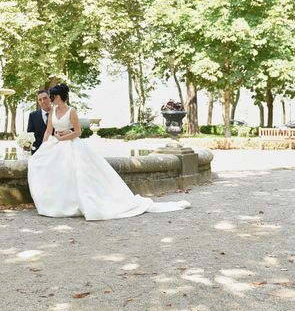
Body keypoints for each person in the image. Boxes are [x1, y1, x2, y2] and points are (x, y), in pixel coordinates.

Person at [28, 83, 191, 220]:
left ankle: (80, 203)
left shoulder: (71, 111)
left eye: (52, 97)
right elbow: (48, 131)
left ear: (59, 97)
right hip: (56, 145)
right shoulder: (53, 112)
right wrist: (44, 147)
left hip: (71, 145)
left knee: (79, 175)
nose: (50, 100)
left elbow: (78, 132)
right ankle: (57, 203)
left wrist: (64, 137)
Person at [26, 89, 53, 154]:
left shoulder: (58, 113)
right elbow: (30, 133)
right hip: (38, 151)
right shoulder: (33, 115)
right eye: (40, 100)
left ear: (50, 98)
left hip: (56, 150)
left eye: (45, 98)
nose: (43, 101)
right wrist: (27, 144)